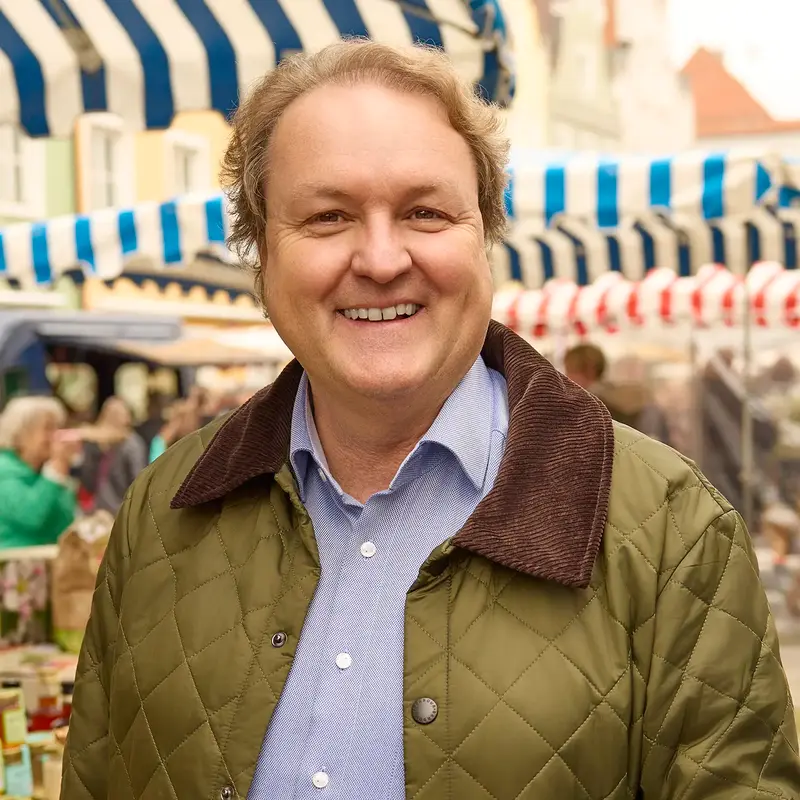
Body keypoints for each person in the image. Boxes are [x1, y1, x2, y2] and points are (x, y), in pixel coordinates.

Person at [62, 40, 800, 799]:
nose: (382, 260)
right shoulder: (162, 510)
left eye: (425, 212)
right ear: (262, 257)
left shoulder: (674, 530)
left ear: (484, 237)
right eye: (327, 216)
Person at [0, 397, 78, 549]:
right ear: (20, 434)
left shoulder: (43, 473)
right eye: (48, 428)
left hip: (49, 558)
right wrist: (54, 472)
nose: (55, 436)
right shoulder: (4, 470)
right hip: (13, 560)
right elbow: (30, 516)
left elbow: (65, 523)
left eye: (58, 428)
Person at [564, 342, 672, 444]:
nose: (566, 377)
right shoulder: (645, 401)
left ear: (589, 370)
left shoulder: (586, 405)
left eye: (570, 370)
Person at [78, 396, 147, 515]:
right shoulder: (97, 444)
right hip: (98, 511)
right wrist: (95, 449)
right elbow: (88, 482)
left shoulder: (132, 445)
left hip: (121, 512)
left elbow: (138, 482)